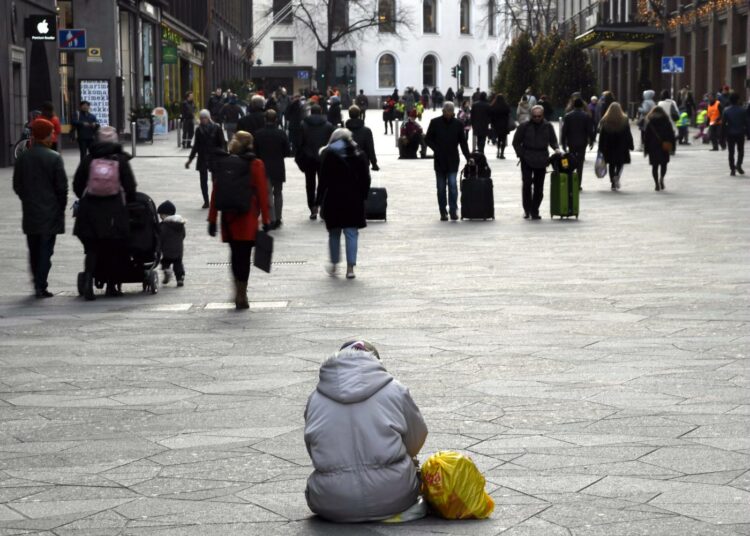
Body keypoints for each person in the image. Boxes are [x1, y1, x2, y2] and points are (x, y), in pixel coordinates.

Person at [305, 340, 428, 523]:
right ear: (375, 363)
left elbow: (313, 449)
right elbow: (417, 438)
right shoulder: (396, 391)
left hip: (332, 502)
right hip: (394, 495)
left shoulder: (315, 399)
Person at [208, 131, 271, 309]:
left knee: (235, 255)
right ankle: (242, 294)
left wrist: (212, 219)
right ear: (250, 145)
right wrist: (266, 219)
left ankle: (236, 290)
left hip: (228, 218)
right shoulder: (255, 164)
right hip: (247, 218)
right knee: (244, 257)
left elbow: (215, 192)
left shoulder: (224, 163)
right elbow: (262, 194)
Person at [73, 127, 137, 300]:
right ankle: (111, 285)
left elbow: (77, 184)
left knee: (92, 248)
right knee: (113, 249)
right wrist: (127, 202)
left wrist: (87, 196)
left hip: (90, 211)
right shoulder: (120, 159)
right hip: (114, 212)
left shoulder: (89, 158)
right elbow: (130, 186)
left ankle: (88, 279)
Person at [13, 118, 68, 298]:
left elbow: (17, 185)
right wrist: (60, 207)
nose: (53, 135)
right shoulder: (54, 158)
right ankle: (40, 284)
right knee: (45, 249)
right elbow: (62, 188)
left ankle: (37, 281)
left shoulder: (23, 157)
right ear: (45, 135)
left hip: (30, 210)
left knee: (34, 248)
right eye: (51, 132)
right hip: (50, 211)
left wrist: (27, 198)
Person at [317, 129, 371, 279]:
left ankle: (334, 264)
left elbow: (323, 179)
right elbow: (366, 178)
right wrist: (363, 195)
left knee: (334, 233)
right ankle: (350, 268)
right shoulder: (359, 153)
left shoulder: (329, 154)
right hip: (354, 199)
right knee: (351, 233)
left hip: (333, 198)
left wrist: (319, 199)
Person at [425, 102, 472, 221]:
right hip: (440, 160)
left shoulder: (458, 124)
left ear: (452, 113)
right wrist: (436, 149)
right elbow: (427, 139)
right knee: (441, 188)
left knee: (452, 185)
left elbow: (463, 143)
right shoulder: (435, 122)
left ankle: (453, 211)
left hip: (452, 160)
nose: (446, 114)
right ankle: (442, 211)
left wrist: (468, 157)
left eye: (449, 112)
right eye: (445, 112)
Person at [512, 105, 560, 220]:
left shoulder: (548, 126)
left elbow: (553, 141)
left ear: (543, 115)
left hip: (542, 158)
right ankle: (527, 209)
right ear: (531, 115)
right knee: (527, 184)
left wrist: (556, 149)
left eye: (539, 116)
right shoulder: (524, 126)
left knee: (539, 187)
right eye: (534, 116)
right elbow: (516, 142)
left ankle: (535, 210)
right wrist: (521, 154)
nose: (537, 118)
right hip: (527, 158)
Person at [297, 105, 335, 220]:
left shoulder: (303, 124)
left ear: (310, 112)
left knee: (310, 184)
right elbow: (332, 142)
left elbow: (299, 142)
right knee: (324, 183)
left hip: (308, 158)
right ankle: (322, 205)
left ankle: (312, 207)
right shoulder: (328, 125)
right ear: (321, 112)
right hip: (323, 158)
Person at [254, 110, 290, 228]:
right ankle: (278, 218)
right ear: (275, 119)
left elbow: (256, 152)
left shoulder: (258, 134)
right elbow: (287, 152)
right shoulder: (281, 133)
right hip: (278, 167)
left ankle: (272, 218)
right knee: (278, 193)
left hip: (264, 167)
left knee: (268, 193)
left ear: (265, 119)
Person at [186, 110, 226, 209]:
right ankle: (206, 201)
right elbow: (196, 146)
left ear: (209, 118)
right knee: (203, 181)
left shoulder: (217, 127)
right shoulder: (199, 130)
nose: (203, 120)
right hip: (203, 157)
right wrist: (190, 160)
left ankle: (215, 200)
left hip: (214, 157)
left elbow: (222, 144)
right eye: (201, 118)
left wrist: (225, 157)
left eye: (205, 118)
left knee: (215, 180)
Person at [597, 102, 633, 191]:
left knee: (611, 164)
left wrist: (600, 148)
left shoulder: (605, 120)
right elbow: (628, 134)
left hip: (609, 147)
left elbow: (602, 136)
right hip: (621, 146)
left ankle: (612, 182)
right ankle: (617, 176)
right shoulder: (624, 120)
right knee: (620, 163)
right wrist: (630, 144)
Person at [561, 97, 595, 190]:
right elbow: (589, 130)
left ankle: (570, 181)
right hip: (582, 142)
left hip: (571, 142)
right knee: (580, 163)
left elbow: (564, 131)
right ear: (582, 106)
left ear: (574, 105)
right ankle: (578, 183)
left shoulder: (568, 116)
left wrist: (563, 143)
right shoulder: (586, 116)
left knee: (571, 161)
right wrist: (592, 141)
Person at [643, 106, 676, 191]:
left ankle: (656, 183)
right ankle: (662, 178)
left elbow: (646, 137)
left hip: (653, 147)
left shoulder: (649, 122)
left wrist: (646, 150)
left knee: (654, 166)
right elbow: (671, 135)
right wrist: (673, 147)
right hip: (664, 146)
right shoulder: (666, 121)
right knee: (664, 164)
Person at [157, 200, 186, 287]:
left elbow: (160, 237)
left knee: (165, 262)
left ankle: (167, 271)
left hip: (167, 250)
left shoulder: (164, 225)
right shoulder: (180, 224)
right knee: (178, 264)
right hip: (178, 249)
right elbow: (183, 235)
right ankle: (180, 278)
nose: (160, 217)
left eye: (161, 215)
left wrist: (158, 248)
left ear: (165, 214)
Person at [722, 92, 749, 176]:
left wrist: (722, 137)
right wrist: (748, 134)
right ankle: (738, 165)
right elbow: (747, 123)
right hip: (740, 133)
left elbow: (723, 125)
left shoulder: (726, 111)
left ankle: (732, 169)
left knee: (731, 152)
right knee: (740, 151)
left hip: (730, 134)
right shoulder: (743, 110)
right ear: (738, 100)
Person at [345, 105, 379, 170]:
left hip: (347, 162)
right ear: (359, 114)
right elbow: (370, 147)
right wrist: (374, 163)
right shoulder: (366, 131)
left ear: (349, 115)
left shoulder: (343, 131)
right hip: (363, 161)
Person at [489, 93, 511, 159]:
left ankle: (498, 152)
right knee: (503, 140)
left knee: (498, 140)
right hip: (504, 125)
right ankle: (502, 153)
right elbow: (509, 113)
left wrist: (492, 123)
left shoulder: (493, 106)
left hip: (496, 125)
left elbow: (491, 115)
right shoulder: (506, 105)